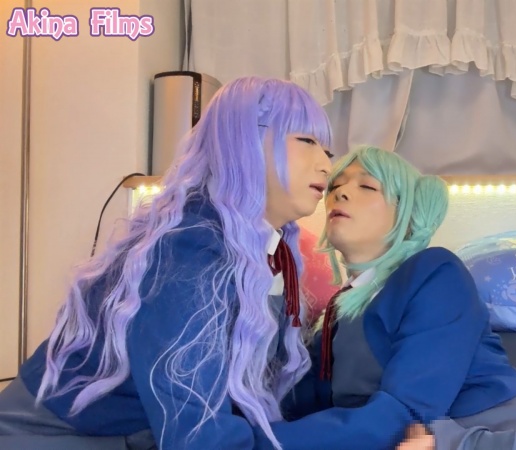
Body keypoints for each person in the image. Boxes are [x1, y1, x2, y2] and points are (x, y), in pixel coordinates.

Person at [0, 77, 334, 450]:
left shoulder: (265, 253)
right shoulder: (190, 250)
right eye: (307, 141)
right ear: (245, 141)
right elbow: (198, 436)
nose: (325, 165)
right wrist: (367, 425)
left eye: (328, 151)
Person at [271, 146, 516, 450]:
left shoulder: (434, 272)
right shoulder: (336, 314)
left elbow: (404, 414)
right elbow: (299, 407)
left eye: (367, 186)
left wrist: (255, 441)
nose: (340, 193)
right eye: (335, 186)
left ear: (408, 215)